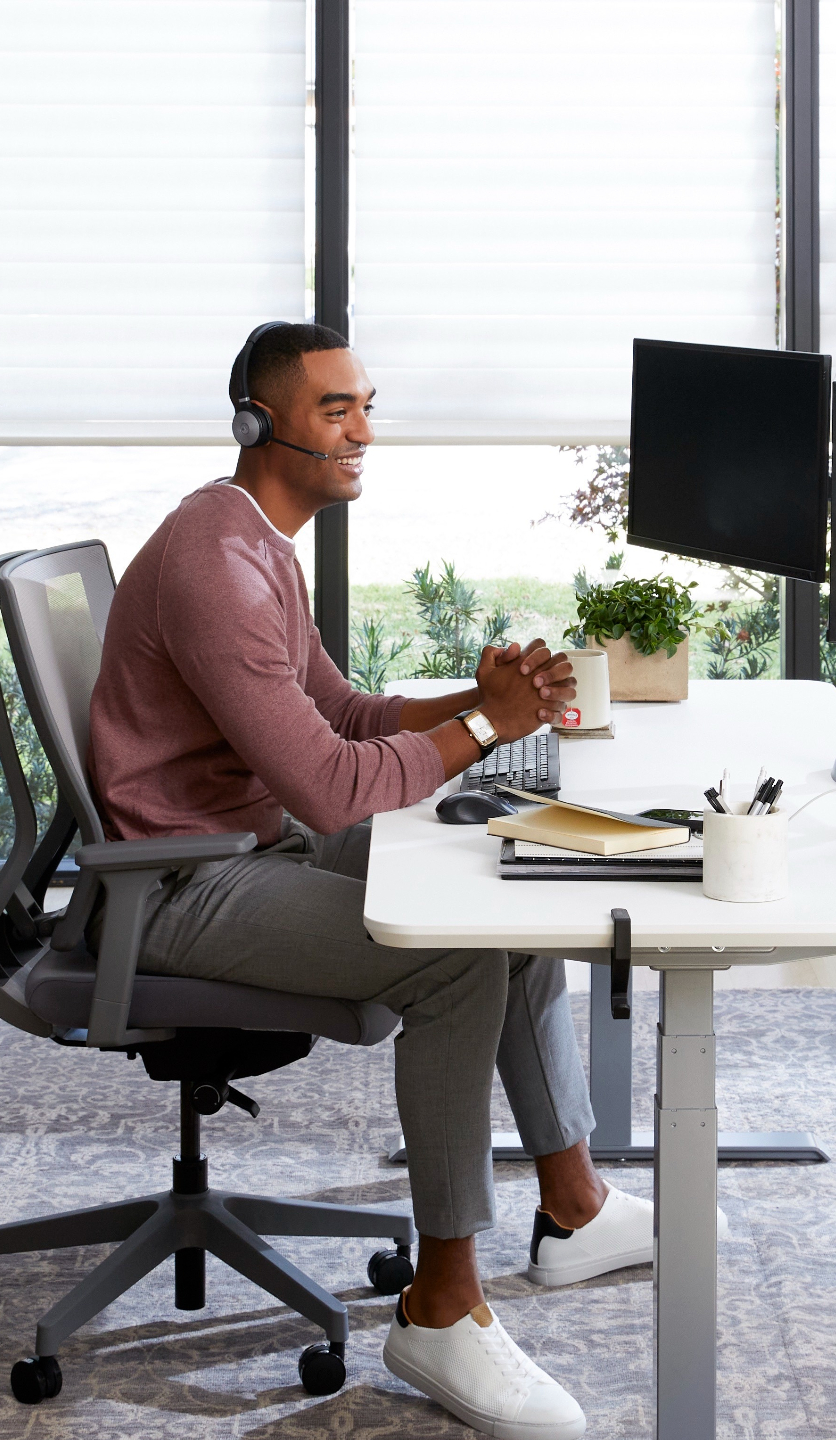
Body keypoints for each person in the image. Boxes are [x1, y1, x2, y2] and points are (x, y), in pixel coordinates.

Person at [86, 322, 643, 1440]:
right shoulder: (217, 567)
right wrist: (492, 725)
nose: (363, 431)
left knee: (507, 882)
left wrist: (469, 703)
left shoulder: (251, 540)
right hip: (179, 885)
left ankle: (573, 1206)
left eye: (366, 405)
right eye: (336, 409)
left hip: (248, 842)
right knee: (449, 958)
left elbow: (340, 715)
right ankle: (440, 1308)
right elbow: (338, 787)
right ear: (258, 420)